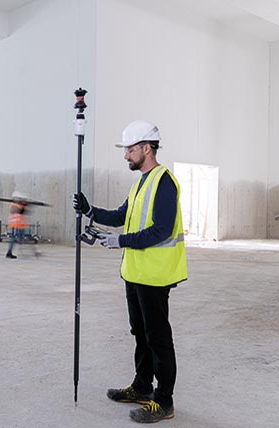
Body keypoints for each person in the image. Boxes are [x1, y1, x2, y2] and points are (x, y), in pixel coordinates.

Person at [73, 120, 187, 424]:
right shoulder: (140, 182)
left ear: (146, 149)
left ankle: (164, 401)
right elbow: (123, 215)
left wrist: (121, 240)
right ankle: (141, 387)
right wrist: (90, 212)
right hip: (135, 273)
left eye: (130, 149)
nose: (126, 155)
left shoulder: (164, 182)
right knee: (140, 334)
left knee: (158, 337)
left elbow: (162, 230)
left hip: (155, 274)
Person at [5, 191, 28, 259]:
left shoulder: (19, 204)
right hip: (15, 225)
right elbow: (18, 211)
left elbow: (23, 212)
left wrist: (24, 205)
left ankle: (19, 250)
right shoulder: (14, 205)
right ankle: (9, 252)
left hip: (20, 225)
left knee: (20, 239)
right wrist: (24, 205)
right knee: (14, 238)